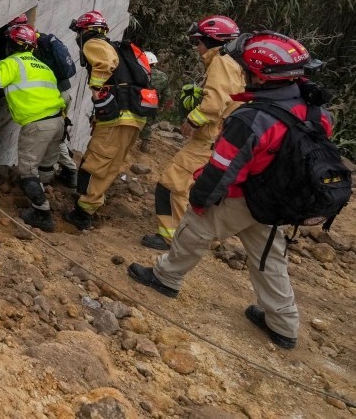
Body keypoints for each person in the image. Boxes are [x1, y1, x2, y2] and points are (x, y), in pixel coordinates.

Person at [128, 32, 326, 349]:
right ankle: (283, 324)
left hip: (241, 196)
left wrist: (199, 201)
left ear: (259, 75)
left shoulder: (252, 118)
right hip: (277, 203)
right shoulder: (313, 110)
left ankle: (165, 278)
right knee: (269, 259)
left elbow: (221, 169)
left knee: (194, 229)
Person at [141, 17, 245, 250]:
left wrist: (192, 120)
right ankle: (186, 234)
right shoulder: (233, 64)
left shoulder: (221, 61)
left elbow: (215, 102)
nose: (197, 48)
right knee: (189, 186)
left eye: (198, 43)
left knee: (171, 183)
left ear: (211, 41)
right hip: (218, 139)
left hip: (208, 139)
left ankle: (171, 237)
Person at [0, 23, 68, 231]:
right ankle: (41, 189)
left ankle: (42, 214)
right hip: (58, 121)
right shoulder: (43, 66)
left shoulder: (13, 62)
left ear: (11, 45)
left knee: (26, 170)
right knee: (46, 164)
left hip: (37, 125)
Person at [62, 10, 146, 231]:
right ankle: (89, 207)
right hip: (132, 117)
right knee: (110, 163)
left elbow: (105, 63)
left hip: (117, 118)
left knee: (97, 162)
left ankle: (82, 213)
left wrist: (97, 88)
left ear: (85, 30)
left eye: (78, 33)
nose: (77, 39)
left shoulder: (94, 43)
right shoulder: (116, 48)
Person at [9, 13, 78, 188]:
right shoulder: (39, 39)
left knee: (51, 139)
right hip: (62, 94)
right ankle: (63, 175)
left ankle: (58, 177)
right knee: (55, 139)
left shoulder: (29, 48)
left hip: (55, 97)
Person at [136, 51, 169, 152]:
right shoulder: (163, 76)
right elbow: (167, 94)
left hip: (135, 101)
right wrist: (161, 105)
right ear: (154, 63)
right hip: (151, 102)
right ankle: (144, 145)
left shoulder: (136, 71)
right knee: (147, 123)